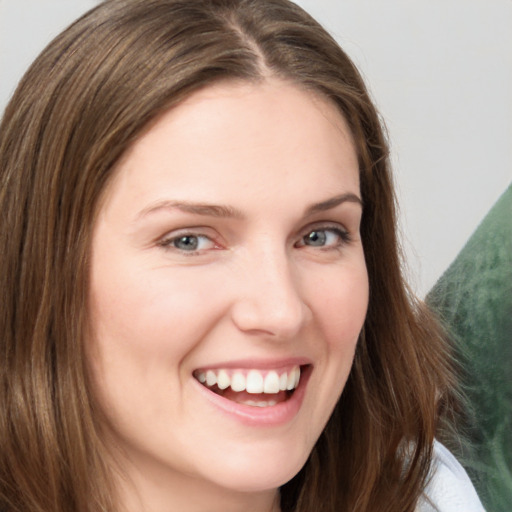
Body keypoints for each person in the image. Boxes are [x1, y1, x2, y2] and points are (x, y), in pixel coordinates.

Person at [0, 1, 485, 511]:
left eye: (319, 236)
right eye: (189, 240)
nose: (281, 311)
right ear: (42, 266)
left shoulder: (431, 497)